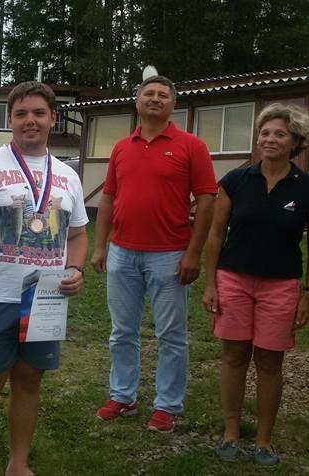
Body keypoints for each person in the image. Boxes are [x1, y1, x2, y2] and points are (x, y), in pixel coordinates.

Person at [0, 81, 88, 476]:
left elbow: (78, 234)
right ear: (10, 119)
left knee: (29, 381)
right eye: (21, 113)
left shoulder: (68, 176)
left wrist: (76, 269)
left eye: (39, 113)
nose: (30, 121)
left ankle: (18, 463)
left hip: (45, 299)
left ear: (53, 118)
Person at [90, 74, 218, 433]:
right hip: (122, 253)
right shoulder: (121, 147)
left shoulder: (191, 146)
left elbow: (207, 200)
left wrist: (193, 254)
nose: (156, 98)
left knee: (171, 335)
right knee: (121, 331)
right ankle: (123, 395)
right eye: (149, 93)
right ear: (137, 102)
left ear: (173, 104)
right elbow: (108, 198)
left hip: (170, 254)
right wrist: (100, 246)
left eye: (163, 94)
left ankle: (167, 405)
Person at [202, 103, 309, 466]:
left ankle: (264, 439)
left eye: (280, 134)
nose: (270, 139)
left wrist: (308, 294)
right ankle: (231, 433)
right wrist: (210, 284)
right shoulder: (235, 181)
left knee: (269, 362)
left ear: (295, 141)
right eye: (265, 132)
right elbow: (215, 234)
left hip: (281, 285)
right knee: (234, 356)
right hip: (233, 280)